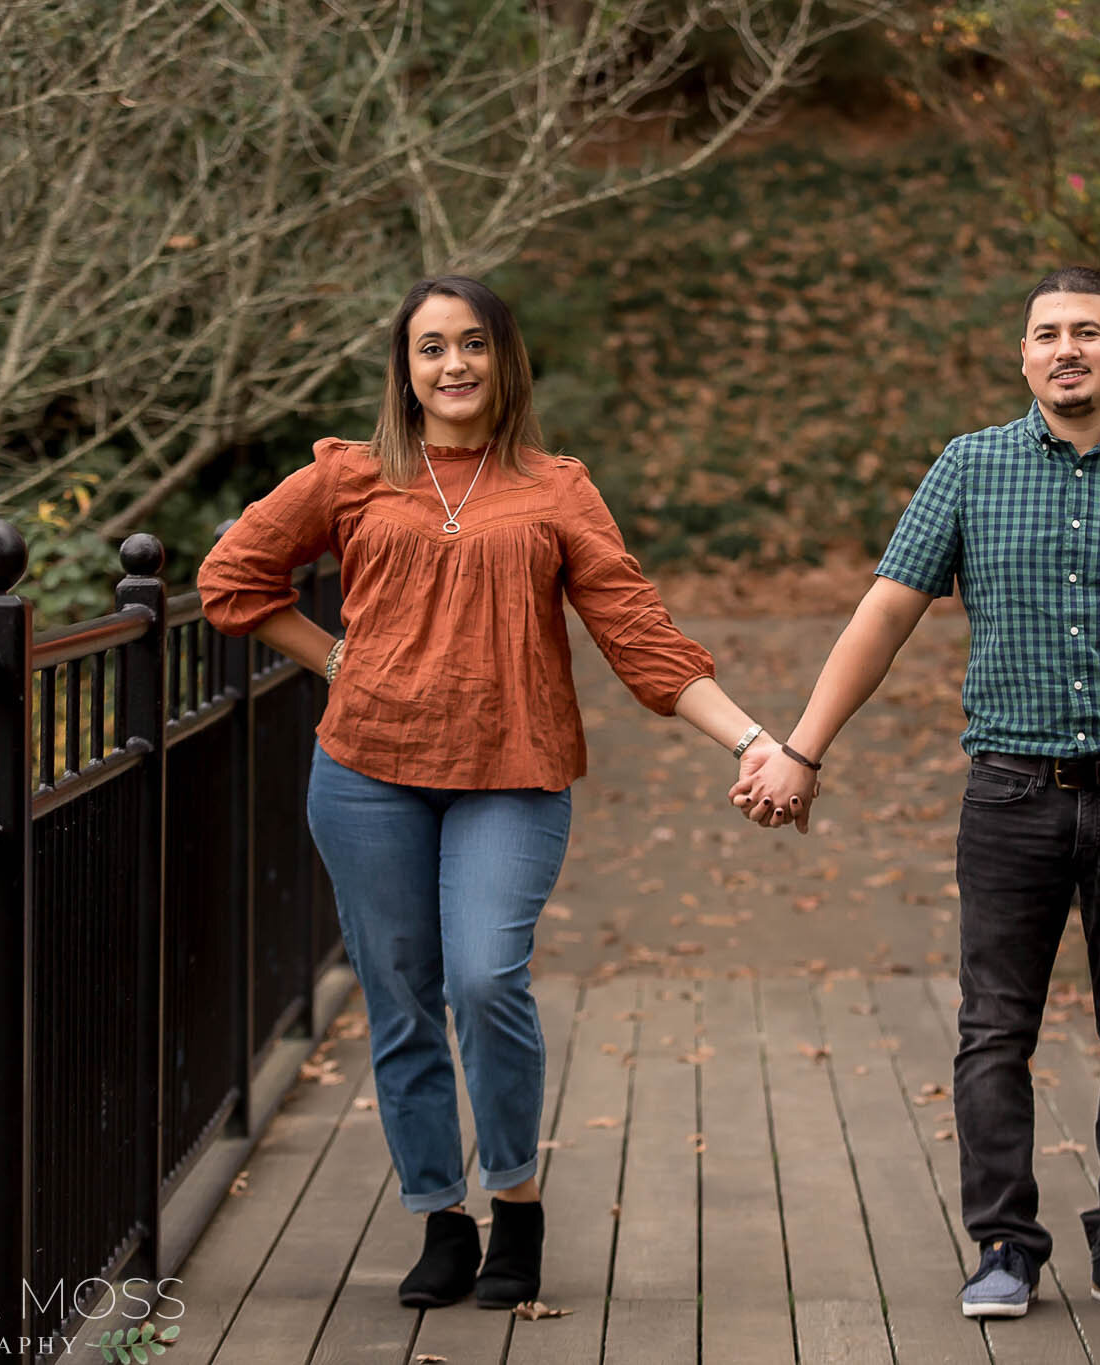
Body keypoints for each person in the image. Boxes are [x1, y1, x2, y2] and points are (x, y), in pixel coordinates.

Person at [199, 275, 781, 1312]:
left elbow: (637, 636)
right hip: (366, 775)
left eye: (473, 344)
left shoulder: (557, 489)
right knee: (401, 998)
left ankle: (515, 1203)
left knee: (482, 976)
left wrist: (750, 738)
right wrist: (343, 664)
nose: (453, 364)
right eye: (431, 348)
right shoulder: (352, 476)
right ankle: (440, 1218)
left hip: (511, 774)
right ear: (405, 367)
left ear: (505, 360)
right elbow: (233, 581)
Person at [733, 266, 1100, 1322]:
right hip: (1009, 795)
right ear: (1021, 355)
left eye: (1085, 333)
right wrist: (801, 748)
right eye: (1043, 334)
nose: (1064, 349)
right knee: (991, 1032)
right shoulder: (969, 468)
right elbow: (883, 617)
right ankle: (1004, 1248)